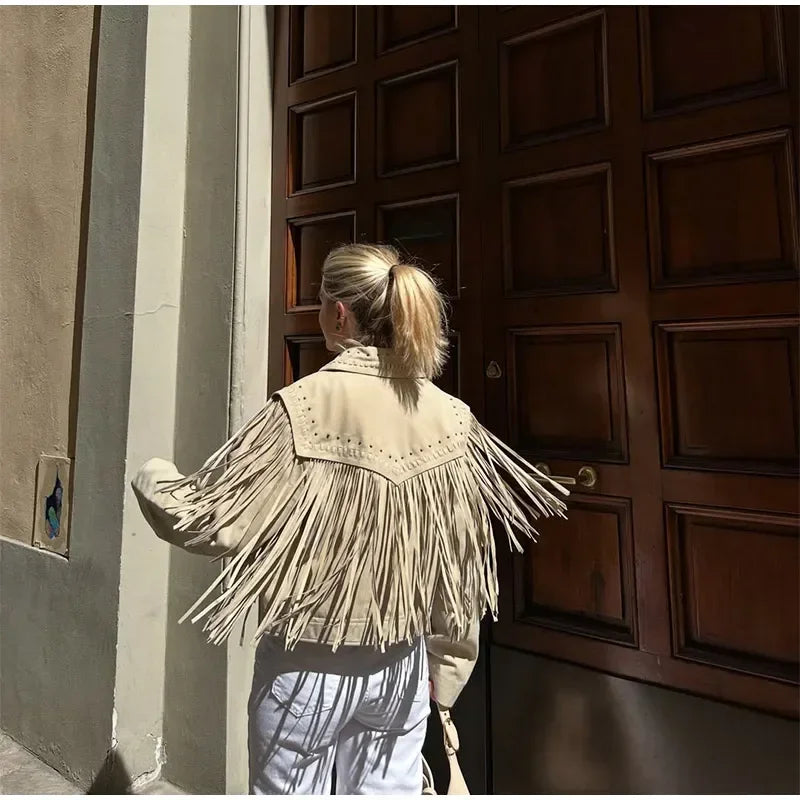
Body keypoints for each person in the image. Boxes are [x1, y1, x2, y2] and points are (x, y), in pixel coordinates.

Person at [131, 243, 568, 795]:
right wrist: (447, 672)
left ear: (339, 314)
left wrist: (152, 474)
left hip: (306, 666)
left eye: (318, 302)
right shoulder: (454, 421)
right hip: (401, 668)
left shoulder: (304, 406)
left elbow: (212, 522)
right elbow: (459, 568)